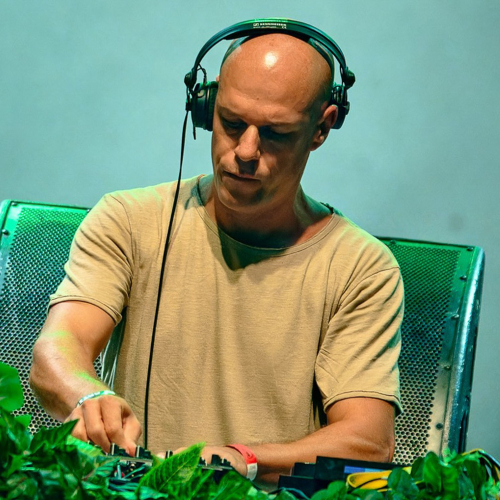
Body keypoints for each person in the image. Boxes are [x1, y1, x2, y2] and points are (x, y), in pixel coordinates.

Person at [30, 24, 403, 487]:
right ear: (206, 108)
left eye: (275, 134)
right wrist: (87, 396)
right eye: (231, 123)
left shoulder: (362, 268)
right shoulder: (128, 219)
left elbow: (368, 441)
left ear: (321, 128)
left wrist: (241, 459)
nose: (245, 151)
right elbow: (58, 348)